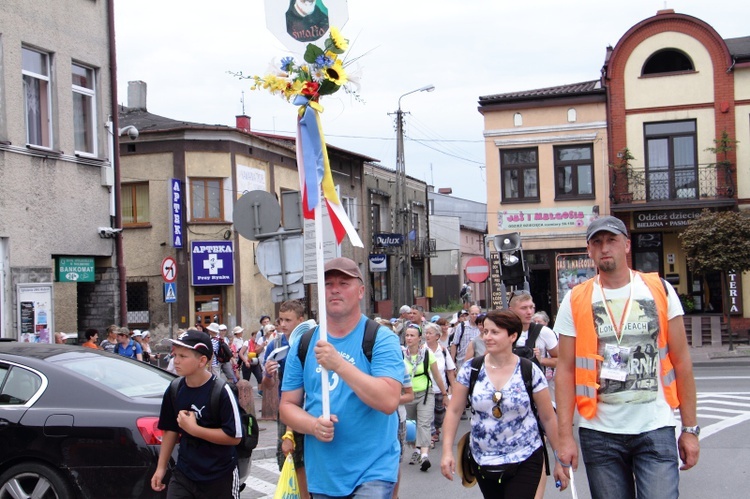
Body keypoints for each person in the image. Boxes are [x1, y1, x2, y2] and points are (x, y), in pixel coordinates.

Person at [555, 216, 699, 499]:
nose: (604, 248)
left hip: (655, 427)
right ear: (589, 250)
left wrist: (690, 429)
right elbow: (565, 370)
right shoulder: (575, 299)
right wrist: (564, 437)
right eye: (597, 242)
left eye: (612, 240)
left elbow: (682, 362)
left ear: (627, 246)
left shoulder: (659, 289)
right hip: (599, 432)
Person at [279, 257, 404, 498]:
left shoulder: (380, 339)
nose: (335, 289)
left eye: (344, 283)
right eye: (328, 283)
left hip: (374, 470)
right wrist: (313, 426)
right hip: (325, 475)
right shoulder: (303, 344)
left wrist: (338, 364)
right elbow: (287, 407)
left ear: (360, 291)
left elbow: (389, 401)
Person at [440, 309, 567, 498]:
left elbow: (548, 417)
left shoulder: (529, 370)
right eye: (485, 332)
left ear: (512, 336)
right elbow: (454, 411)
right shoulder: (471, 369)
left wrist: (559, 459)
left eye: (495, 332)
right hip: (483, 459)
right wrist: (446, 451)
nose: (487, 337)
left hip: (525, 456)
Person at [150, 329, 242, 498]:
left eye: (183, 356)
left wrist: (195, 429)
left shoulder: (221, 391)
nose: (175, 361)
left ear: (202, 361)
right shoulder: (175, 389)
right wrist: (161, 468)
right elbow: (170, 429)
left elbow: (234, 437)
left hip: (219, 476)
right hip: (184, 474)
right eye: (174, 355)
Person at [263, 300, 309, 499]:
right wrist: (267, 375)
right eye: (280, 319)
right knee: (288, 460)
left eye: (288, 320)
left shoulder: (308, 343)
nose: (282, 324)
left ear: (301, 320)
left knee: (304, 459)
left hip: (308, 408)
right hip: (287, 410)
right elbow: (266, 387)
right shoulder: (275, 345)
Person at [403, 323, 448, 472]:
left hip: (425, 393)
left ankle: (424, 456)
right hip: (407, 395)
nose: (409, 338)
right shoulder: (401, 354)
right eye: (407, 335)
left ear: (419, 338)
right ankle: (416, 449)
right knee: (411, 425)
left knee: (424, 423)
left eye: (412, 335)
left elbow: (437, 376)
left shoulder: (427, 354)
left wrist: (445, 393)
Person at [424, 322, 455, 447]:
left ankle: (436, 429)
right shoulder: (422, 349)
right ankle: (431, 435)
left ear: (437, 336)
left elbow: (450, 370)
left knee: (439, 414)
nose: (427, 336)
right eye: (426, 333)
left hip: (440, 388)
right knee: (427, 414)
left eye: (430, 333)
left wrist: (452, 389)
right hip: (425, 388)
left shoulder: (443, 351)